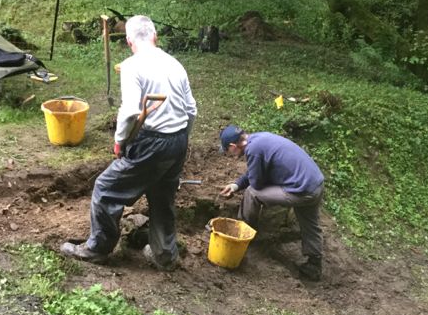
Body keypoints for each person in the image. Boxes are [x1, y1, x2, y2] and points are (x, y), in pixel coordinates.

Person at [61, 15, 197, 270]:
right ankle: (165, 255)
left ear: (128, 41)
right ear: (155, 37)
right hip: (178, 140)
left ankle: (97, 249)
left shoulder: (133, 66)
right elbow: (192, 110)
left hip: (152, 143)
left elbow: (131, 112)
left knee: (105, 189)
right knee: (162, 197)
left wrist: (119, 141)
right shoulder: (175, 64)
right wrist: (182, 139)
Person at [219, 125, 325, 281]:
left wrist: (245, 185)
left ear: (233, 146)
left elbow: (257, 184)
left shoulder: (252, 150)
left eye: (228, 152)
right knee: (309, 222)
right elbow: (257, 170)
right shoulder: (259, 138)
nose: (230, 155)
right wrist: (236, 185)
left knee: (252, 193)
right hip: (314, 184)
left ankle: (242, 234)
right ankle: (314, 265)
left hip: (301, 189)